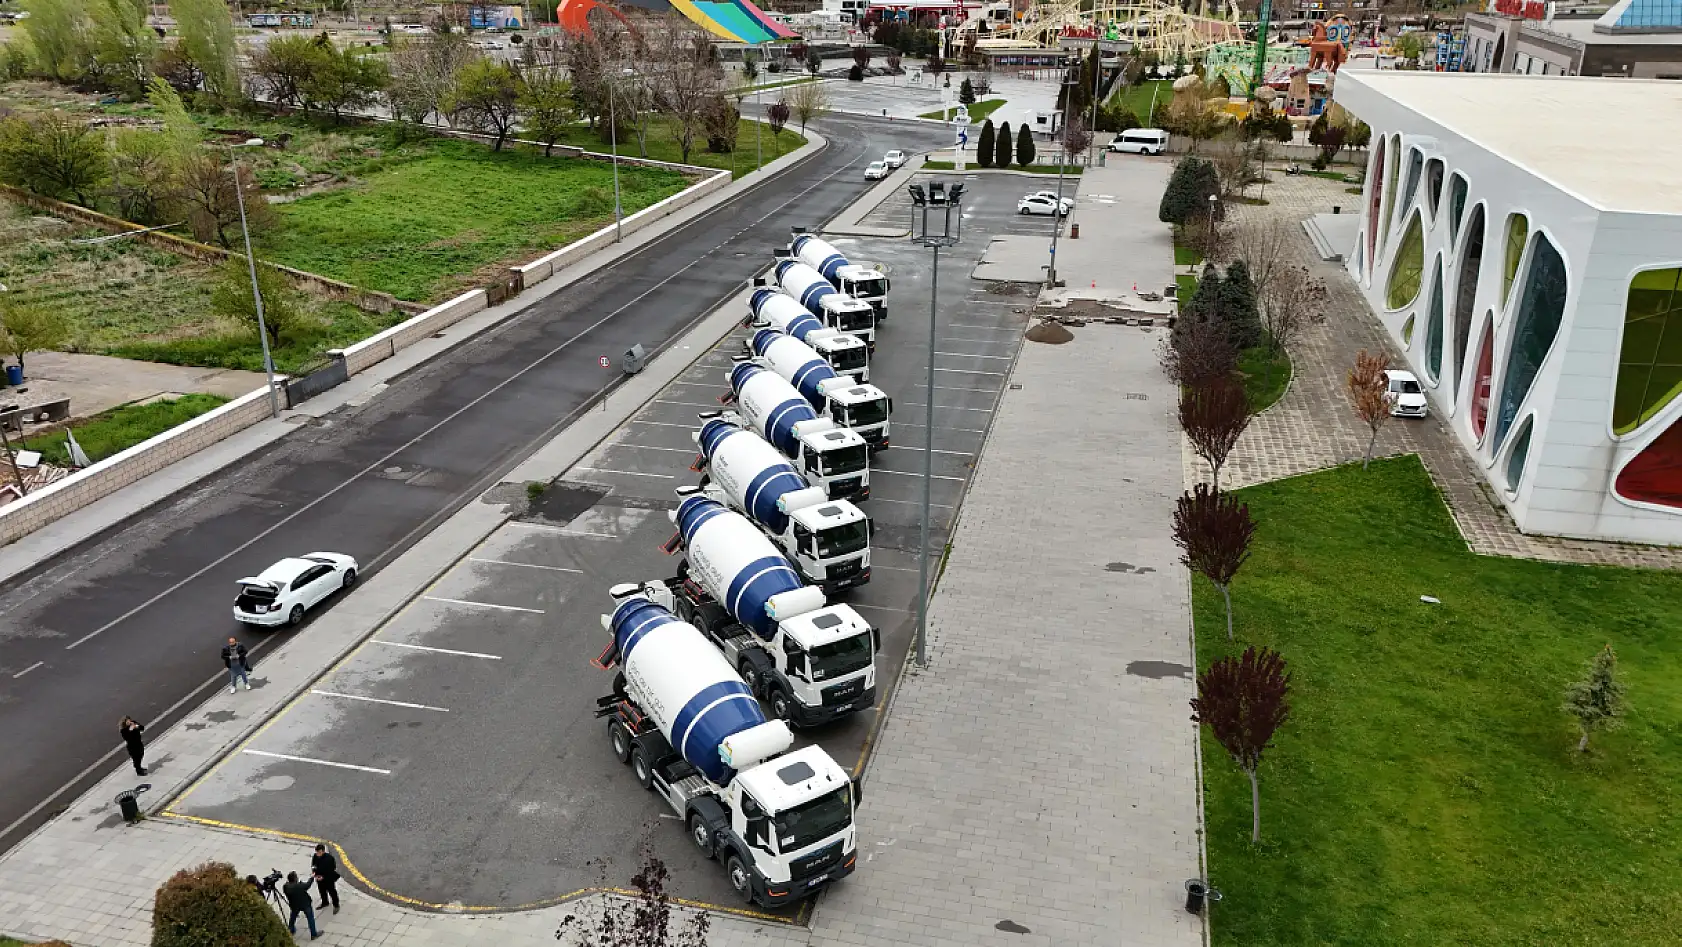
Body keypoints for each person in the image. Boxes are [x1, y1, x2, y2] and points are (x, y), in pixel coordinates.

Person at [281, 871, 320, 939]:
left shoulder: (285, 886)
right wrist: (312, 877)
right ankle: (313, 934)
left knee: (292, 917)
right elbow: (308, 885)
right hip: (305, 904)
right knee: (310, 918)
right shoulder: (299, 886)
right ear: (295, 879)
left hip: (294, 905)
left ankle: (291, 930)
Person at [311, 844, 340, 914]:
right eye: (317, 852)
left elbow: (331, 870)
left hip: (328, 879)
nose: (318, 854)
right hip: (319, 878)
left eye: (319, 852)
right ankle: (325, 902)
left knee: (332, 892)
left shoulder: (330, 858)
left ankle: (336, 905)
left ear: (323, 851)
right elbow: (313, 865)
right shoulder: (315, 856)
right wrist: (314, 873)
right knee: (322, 891)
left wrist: (323, 877)